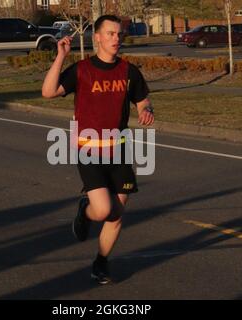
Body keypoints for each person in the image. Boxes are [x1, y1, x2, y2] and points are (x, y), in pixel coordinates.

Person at [42, 15, 154, 285]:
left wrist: (146, 110)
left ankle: (101, 263)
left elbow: (142, 100)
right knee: (103, 210)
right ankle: (86, 210)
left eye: (119, 34)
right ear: (98, 38)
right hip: (89, 150)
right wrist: (60, 57)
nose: (117, 38)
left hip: (120, 150)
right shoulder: (81, 70)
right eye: (111, 33)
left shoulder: (129, 71)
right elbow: (48, 92)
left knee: (116, 214)